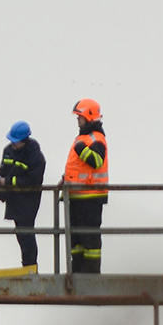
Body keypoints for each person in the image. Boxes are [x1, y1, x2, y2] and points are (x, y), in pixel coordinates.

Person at [63, 98, 109, 273]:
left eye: (79, 117)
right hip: (77, 195)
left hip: (90, 197)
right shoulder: (83, 138)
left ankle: (90, 274)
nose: (77, 121)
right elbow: (78, 165)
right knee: (76, 238)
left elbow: (97, 161)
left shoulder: (95, 138)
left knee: (89, 239)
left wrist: (81, 148)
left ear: (88, 117)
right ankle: (77, 271)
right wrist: (65, 178)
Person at [0, 120, 45, 269]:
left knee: (26, 234)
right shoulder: (8, 151)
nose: (13, 144)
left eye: (16, 141)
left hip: (28, 200)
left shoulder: (34, 154)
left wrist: (9, 181)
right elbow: (3, 170)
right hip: (14, 199)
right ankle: (27, 267)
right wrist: (1, 190)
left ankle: (30, 267)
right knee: (21, 233)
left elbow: (34, 179)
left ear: (25, 140)